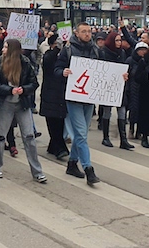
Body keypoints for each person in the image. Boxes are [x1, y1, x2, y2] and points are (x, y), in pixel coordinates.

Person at [0, 39, 46, 183]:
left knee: (29, 136)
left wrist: (24, 89)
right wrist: (9, 90)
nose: (3, 49)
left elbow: (34, 82)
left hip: (22, 104)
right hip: (5, 104)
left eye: (6, 47)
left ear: (13, 49)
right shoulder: (0, 63)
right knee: (0, 136)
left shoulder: (25, 63)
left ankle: (37, 171)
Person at [54, 22, 101, 185]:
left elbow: (104, 70)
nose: (87, 34)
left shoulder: (95, 49)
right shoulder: (67, 49)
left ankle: (72, 163)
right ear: (77, 33)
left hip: (89, 98)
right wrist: (64, 72)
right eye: (84, 31)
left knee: (82, 134)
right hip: (73, 97)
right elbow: (57, 69)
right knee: (80, 133)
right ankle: (88, 169)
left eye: (89, 31)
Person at [99, 31, 134, 150]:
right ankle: (105, 137)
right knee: (107, 111)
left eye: (120, 40)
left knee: (122, 111)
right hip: (108, 86)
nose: (119, 43)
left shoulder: (122, 52)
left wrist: (125, 75)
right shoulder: (104, 52)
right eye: (117, 40)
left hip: (120, 86)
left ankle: (123, 140)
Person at [39, 34, 69, 160]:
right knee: (53, 121)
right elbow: (48, 62)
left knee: (60, 121)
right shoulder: (49, 55)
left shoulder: (65, 56)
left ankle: (53, 146)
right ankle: (60, 148)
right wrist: (58, 48)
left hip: (61, 93)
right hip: (50, 93)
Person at [125, 42, 148, 140]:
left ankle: (140, 131)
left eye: (144, 50)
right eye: (141, 50)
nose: (143, 52)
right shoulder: (130, 60)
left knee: (142, 110)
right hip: (132, 87)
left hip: (144, 88)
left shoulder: (147, 61)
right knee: (133, 109)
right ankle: (131, 128)